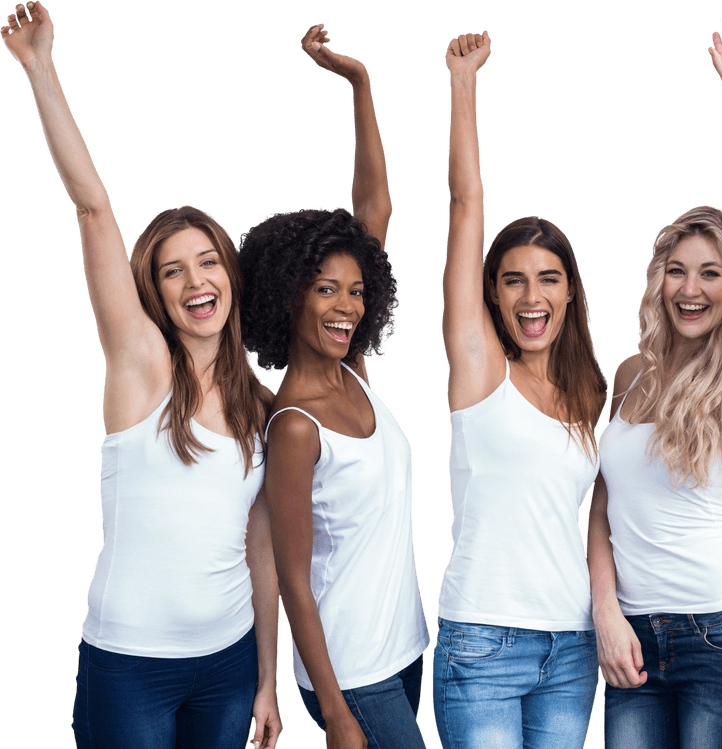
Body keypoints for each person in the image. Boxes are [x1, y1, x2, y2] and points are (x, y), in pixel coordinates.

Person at [3, 4, 282, 748]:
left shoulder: (259, 405)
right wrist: (39, 66)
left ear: (230, 275)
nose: (196, 281)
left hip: (228, 666)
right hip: (130, 668)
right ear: (153, 293)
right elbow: (94, 210)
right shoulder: (143, 366)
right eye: (172, 270)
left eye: (208, 261)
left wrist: (265, 679)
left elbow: (261, 549)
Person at [585, 17, 722, 749]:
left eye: (710, 273)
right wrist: (605, 610)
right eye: (677, 270)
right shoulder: (631, 373)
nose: (691, 289)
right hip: (633, 637)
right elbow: (604, 503)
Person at [239, 24, 428, 749]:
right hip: (351, 671)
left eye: (356, 290)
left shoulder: (354, 376)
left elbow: (373, 207)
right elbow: (292, 580)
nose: (346, 305)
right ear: (289, 296)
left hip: (401, 648)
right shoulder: (295, 426)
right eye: (325, 289)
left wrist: (360, 84)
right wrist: (338, 712)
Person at [434, 30, 608, 749]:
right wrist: (463, 83)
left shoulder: (587, 394)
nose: (531, 297)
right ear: (493, 295)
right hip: (484, 639)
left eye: (548, 279)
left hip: (572, 644)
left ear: (569, 292)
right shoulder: (481, 370)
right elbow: (465, 203)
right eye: (513, 280)